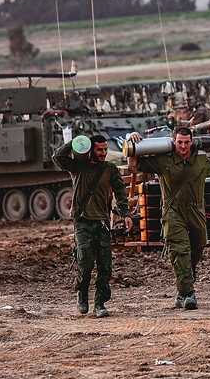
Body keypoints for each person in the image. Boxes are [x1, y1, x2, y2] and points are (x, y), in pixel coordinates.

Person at [126, 127, 210, 310]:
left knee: (198, 246)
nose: (183, 146)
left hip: (196, 211)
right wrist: (133, 143)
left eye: (186, 142)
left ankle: (183, 289)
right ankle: (188, 294)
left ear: (192, 142)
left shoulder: (200, 159)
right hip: (173, 212)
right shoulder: (163, 160)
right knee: (179, 251)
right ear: (174, 142)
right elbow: (134, 164)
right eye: (179, 142)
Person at [52, 134, 134, 318]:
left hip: (103, 222)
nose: (103, 153)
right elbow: (58, 156)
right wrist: (77, 142)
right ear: (91, 150)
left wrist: (126, 215)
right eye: (99, 150)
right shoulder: (78, 167)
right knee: (86, 262)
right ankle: (81, 291)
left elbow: (120, 192)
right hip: (82, 222)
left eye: (105, 150)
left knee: (105, 266)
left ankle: (99, 304)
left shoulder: (110, 169)